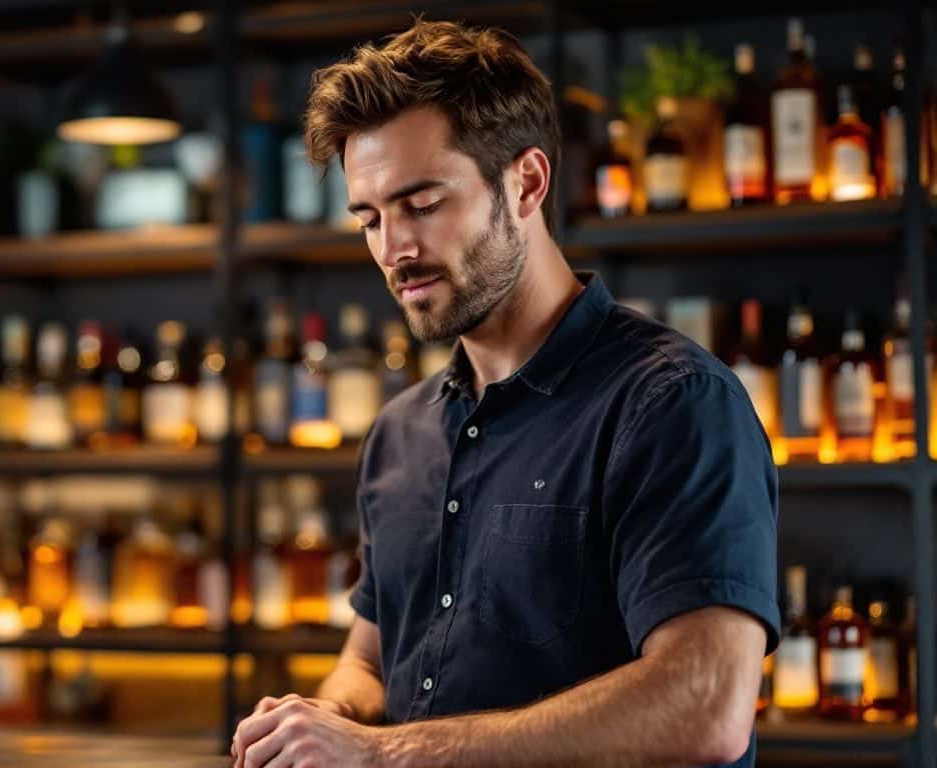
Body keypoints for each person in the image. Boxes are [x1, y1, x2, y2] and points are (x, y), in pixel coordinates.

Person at [231, 20, 778, 768]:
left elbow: (706, 707)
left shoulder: (671, 403)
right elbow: (368, 661)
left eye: (421, 204)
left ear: (525, 182)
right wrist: (321, 721)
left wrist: (385, 754)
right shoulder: (399, 433)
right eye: (370, 219)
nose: (393, 250)